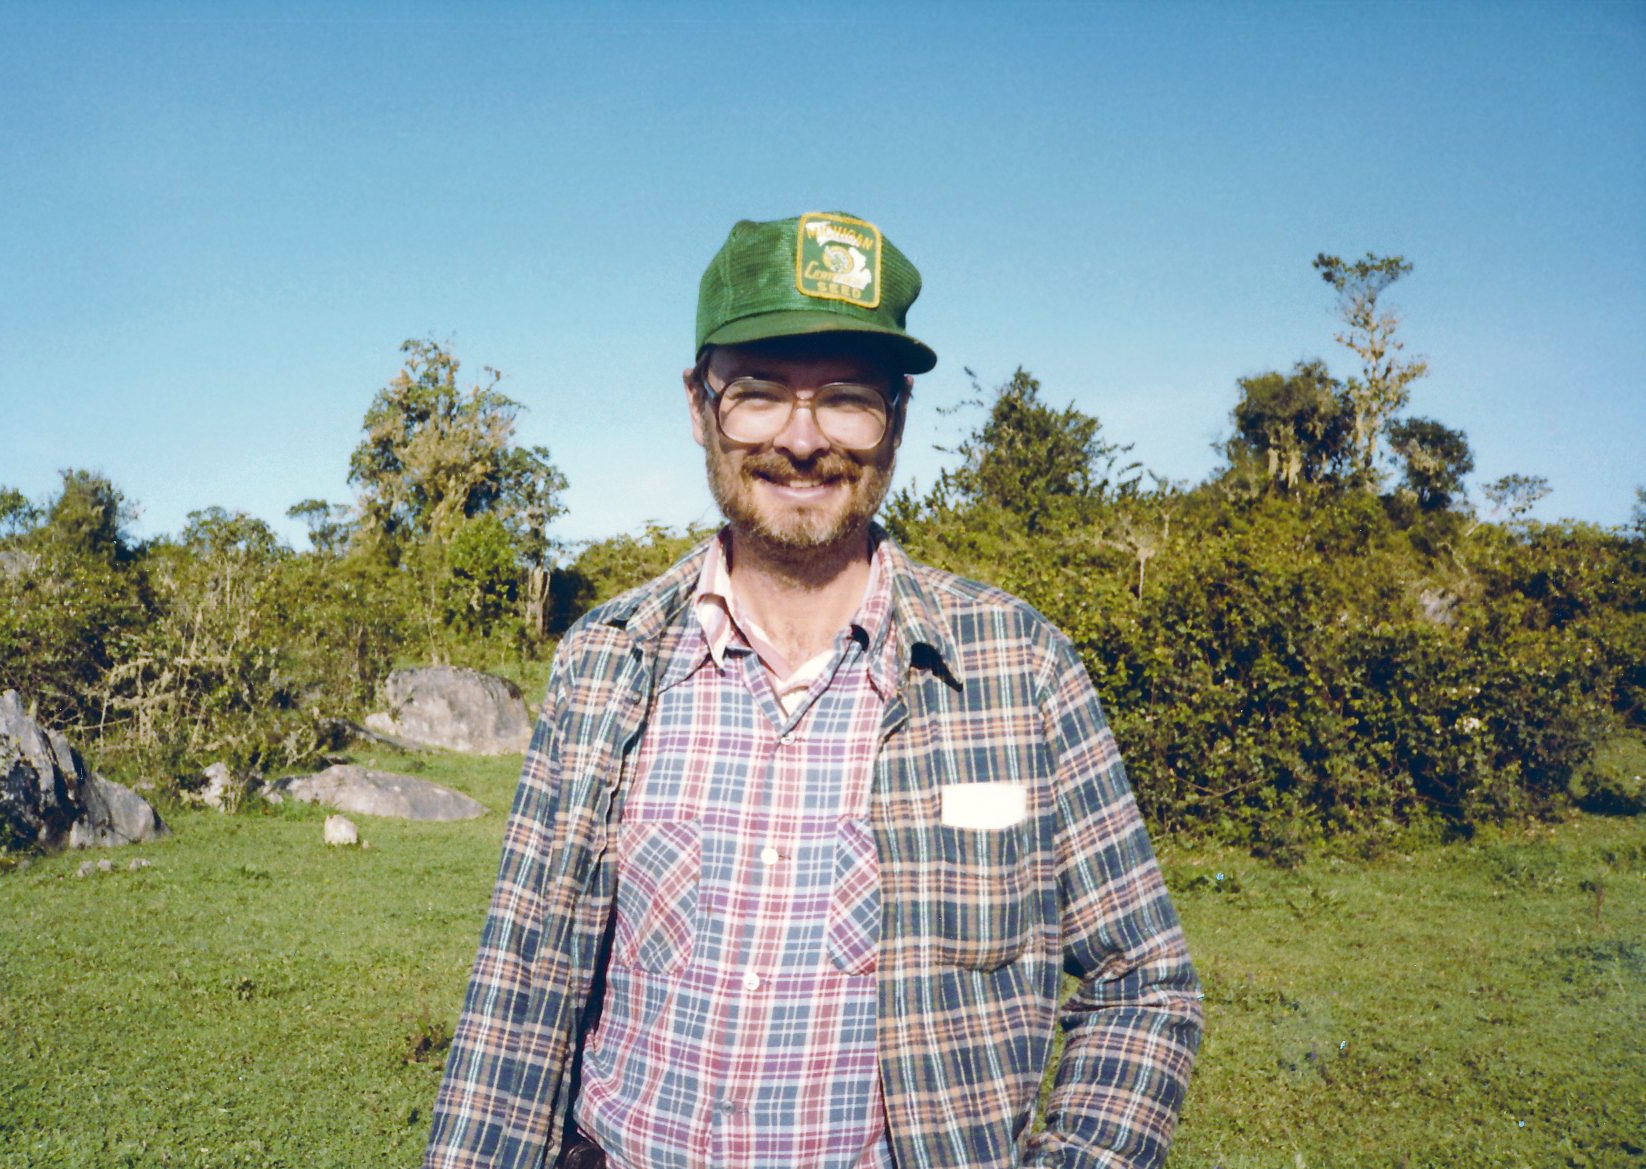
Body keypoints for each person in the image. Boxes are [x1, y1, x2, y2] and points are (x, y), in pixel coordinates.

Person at [423, 212, 1202, 1169]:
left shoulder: (1020, 668)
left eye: (845, 398)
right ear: (700, 405)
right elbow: (516, 994)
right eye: (757, 394)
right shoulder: (603, 663)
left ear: (898, 416)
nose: (801, 440)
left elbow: (1144, 984)